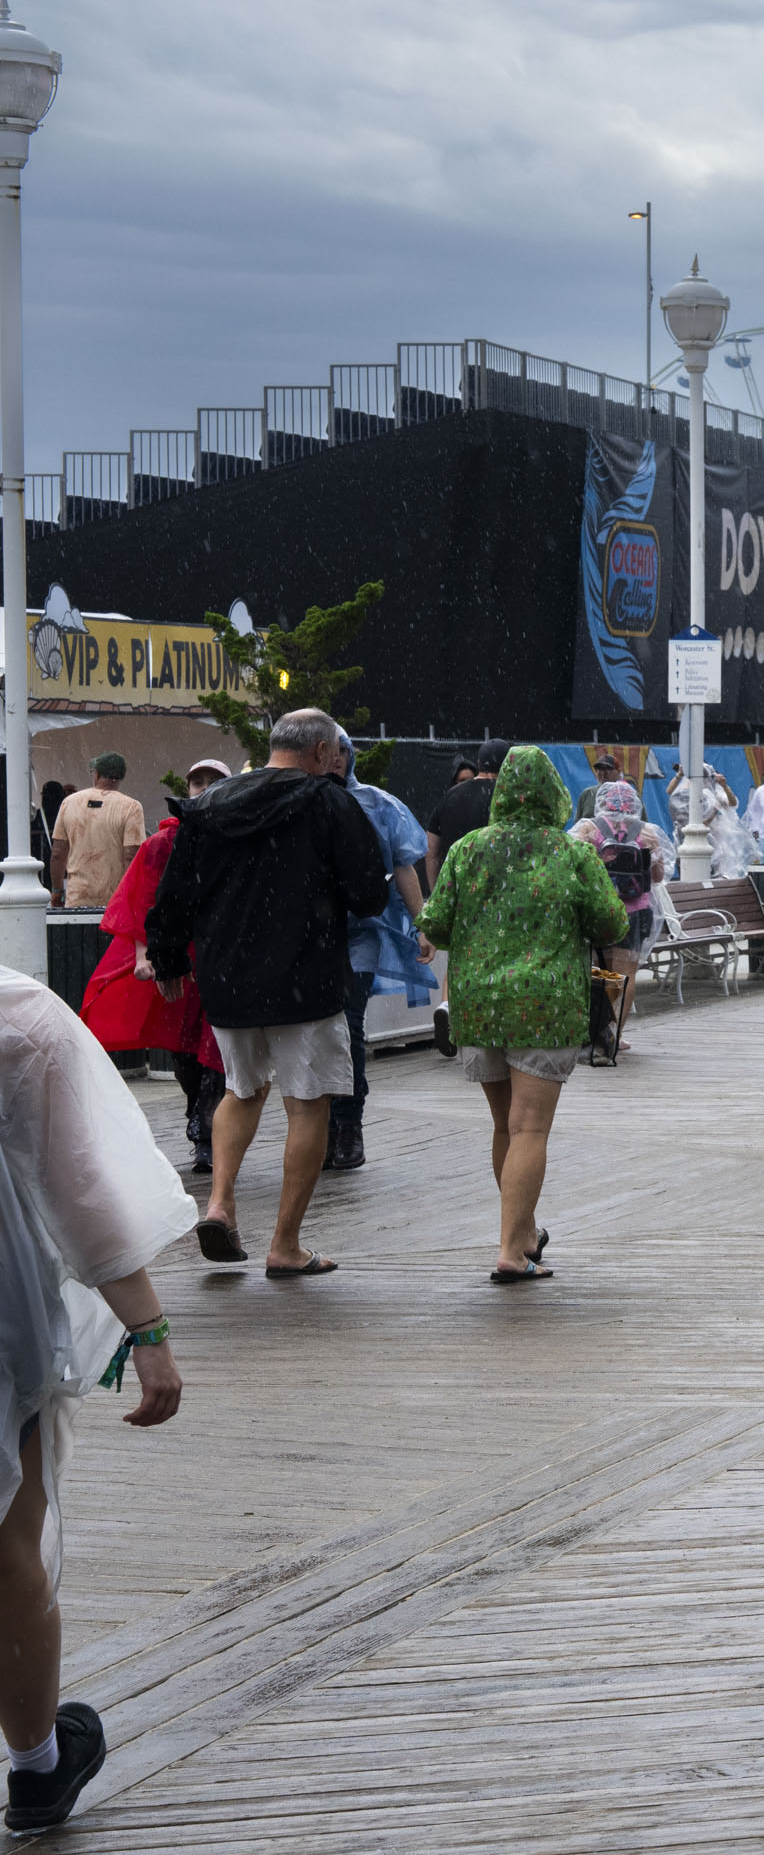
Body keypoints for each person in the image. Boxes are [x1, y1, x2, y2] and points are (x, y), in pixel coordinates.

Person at [0, 965, 194, 1834]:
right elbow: (79, 1193)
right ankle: (38, 1770)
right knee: (8, 1539)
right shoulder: (16, 1016)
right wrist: (147, 1336)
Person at [144, 708, 388, 1280]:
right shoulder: (329, 802)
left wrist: (169, 956)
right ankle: (285, 1244)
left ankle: (220, 1205)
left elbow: (175, 890)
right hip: (306, 979)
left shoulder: (210, 805)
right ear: (324, 753)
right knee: (309, 1104)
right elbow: (368, 893)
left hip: (228, 980)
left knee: (240, 1089)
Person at [419, 748, 631, 1280]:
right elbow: (613, 925)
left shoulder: (468, 849)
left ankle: (526, 1233)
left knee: (504, 1128)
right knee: (530, 1130)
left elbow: (436, 924)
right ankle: (511, 1252)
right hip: (545, 1003)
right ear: (552, 793)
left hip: (478, 1003)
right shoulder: (571, 853)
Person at [78, 762, 230, 1175]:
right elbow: (142, 899)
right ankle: (197, 1113)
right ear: (186, 786)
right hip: (178, 957)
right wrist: (147, 955)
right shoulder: (163, 843)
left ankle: (205, 1131)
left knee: (215, 1045)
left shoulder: (237, 838)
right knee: (184, 1047)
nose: (203, 789)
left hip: (221, 959)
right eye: (197, 781)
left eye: (213, 782)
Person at [326, 732, 436, 1175]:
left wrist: (422, 924)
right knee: (318, 1035)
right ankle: (321, 1130)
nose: (333, 760)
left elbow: (405, 864)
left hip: (359, 935)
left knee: (348, 1026)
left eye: (340, 752)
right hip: (307, 937)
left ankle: (349, 1124)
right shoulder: (293, 801)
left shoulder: (377, 804)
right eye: (325, 751)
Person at [569, 781, 671, 1056]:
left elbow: (571, 869)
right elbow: (659, 877)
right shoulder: (648, 833)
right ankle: (615, 1035)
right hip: (635, 913)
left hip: (597, 910)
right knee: (625, 976)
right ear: (635, 803)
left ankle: (590, 1032)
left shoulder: (587, 830)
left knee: (596, 971)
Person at [45, 755, 143, 911]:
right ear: (121, 776)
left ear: (96, 774)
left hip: (77, 897)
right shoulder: (132, 807)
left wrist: (57, 891)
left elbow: (57, 854)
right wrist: (130, 896)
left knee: (79, 936)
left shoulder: (69, 802)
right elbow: (131, 856)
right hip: (115, 901)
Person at [424, 742, 502, 887]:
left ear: (479, 764)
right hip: (497, 890)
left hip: (457, 890)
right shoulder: (508, 796)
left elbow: (431, 850)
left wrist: (436, 894)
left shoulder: (450, 796)